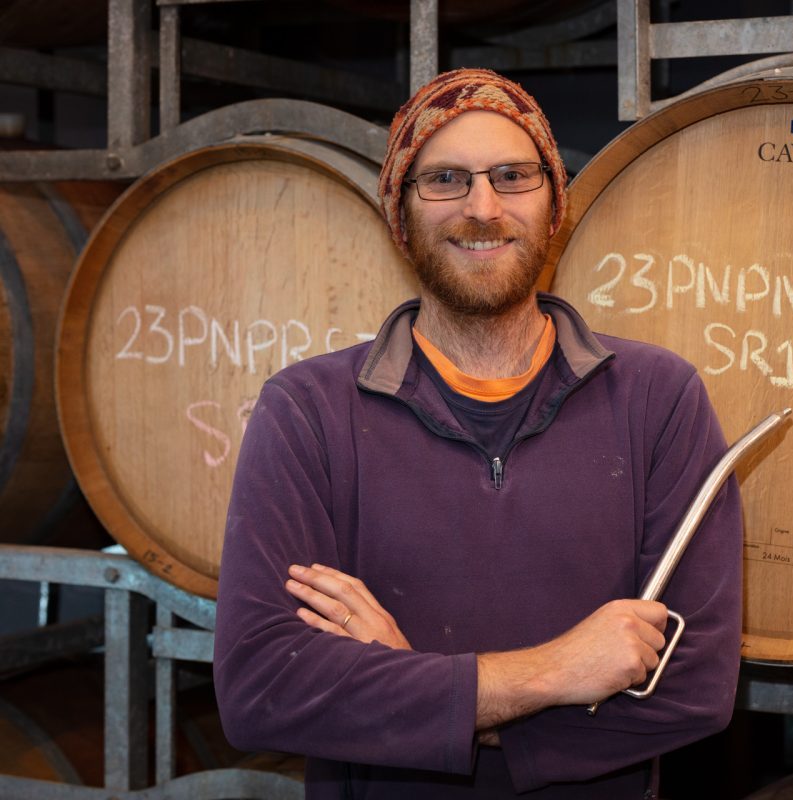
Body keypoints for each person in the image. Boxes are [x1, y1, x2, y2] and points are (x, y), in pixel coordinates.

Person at [213, 68, 743, 799]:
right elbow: (263, 688)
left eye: (513, 176)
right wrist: (556, 672)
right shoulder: (307, 410)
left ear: (555, 206)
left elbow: (693, 688)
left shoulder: (657, 398)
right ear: (399, 217)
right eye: (446, 180)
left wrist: (417, 692)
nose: (483, 207)